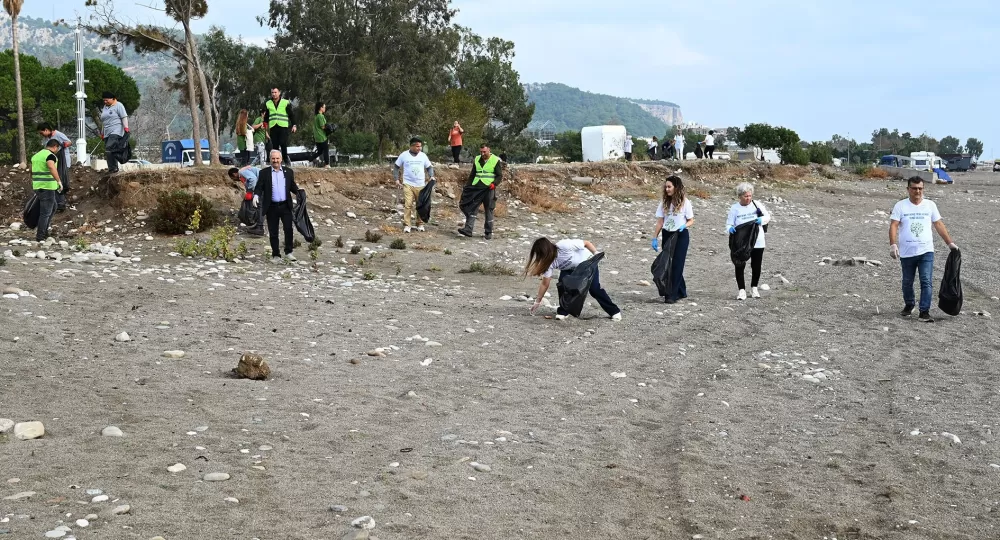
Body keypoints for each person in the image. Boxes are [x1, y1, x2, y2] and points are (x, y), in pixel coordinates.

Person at [889, 176, 959, 322]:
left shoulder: (930, 205)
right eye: (914, 188)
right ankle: (909, 304)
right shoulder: (900, 206)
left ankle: (924, 311)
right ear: (908, 189)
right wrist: (893, 244)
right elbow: (894, 225)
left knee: (926, 281)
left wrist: (949, 243)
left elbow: (938, 224)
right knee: (907, 281)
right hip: (907, 252)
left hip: (926, 251)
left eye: (920, 188)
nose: (917, 191)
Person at [525, 237, 622, 321]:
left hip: (587, 263)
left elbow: (586, 243)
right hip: (569, 269)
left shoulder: (564, 246)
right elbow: (545, 284)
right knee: (563, 285)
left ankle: (614, 311)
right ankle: (563, 311)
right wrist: (538, 301)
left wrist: (596, 253)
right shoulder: (548, 263)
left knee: (594, 289)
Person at [650, 175, 694, 303]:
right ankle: (682, 290)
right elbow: (660, 222)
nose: (667, 189)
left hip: (680, 235)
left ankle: (672, 294)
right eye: (666, 187)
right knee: (668, 263)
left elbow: (691, 220)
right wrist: (654, 238)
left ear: (676, 187)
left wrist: (683, 226)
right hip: (667, 235)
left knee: (677, 264)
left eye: (669, 187)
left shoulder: (685, 202)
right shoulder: (664, 203)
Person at [253, 150, 301, 262]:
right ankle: (276, 255)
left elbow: (292, 186)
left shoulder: (288, 172)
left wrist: (299, 192)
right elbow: (259, 187)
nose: (275, 161)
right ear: (270, 159)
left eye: (277, 158)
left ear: (281, 159)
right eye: (273, 159)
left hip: (285, 206)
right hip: (271, 207)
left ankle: (289, 252)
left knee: (288, 229)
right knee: (273, 231)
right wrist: (256, 195)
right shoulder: (264, 173)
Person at [726, 182, 771, 300]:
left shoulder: (756, 205)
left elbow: (767, 217)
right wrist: (730, 229)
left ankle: (754, 288)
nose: (748, 198)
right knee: (739, 264)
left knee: (756, 265)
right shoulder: (735, 208)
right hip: (741, 243)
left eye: (750, 195)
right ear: (740, 196)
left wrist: (760, 220)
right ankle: (741, 290)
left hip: (758, 240)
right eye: (746, 196)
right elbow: (729, 223)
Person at [458, 143, 502, 240]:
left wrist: (494, 184)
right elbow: (472, 174)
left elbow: (499, 175)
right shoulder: (477, 159)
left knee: (488, 210)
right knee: (472, 208)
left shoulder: (495, 160)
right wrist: (468, 186)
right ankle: (468, 229)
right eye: (481, 151)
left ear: (489, 150)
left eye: (484, 152)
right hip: (476, 188)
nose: (482, 154)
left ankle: (488, 232)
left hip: (488, 189)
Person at [393, 137, 434, 233]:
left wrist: (431, 176)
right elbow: (396, 167)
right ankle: (407, 225)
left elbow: (429, 167)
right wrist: (396, 179)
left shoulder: (423, 156)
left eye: (420, 146)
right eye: (417, 146)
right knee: (408, 204)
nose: (419, 148)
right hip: (408, 184)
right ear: (411, 146)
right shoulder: (404, 155)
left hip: (421, 184)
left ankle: (420, 224)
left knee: (420, 205)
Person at [31, 139, 64, 242]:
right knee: (45, 213)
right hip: (47, 187)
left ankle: (44, 231)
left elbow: (31, 170)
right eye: (57, 148)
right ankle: (41, 236)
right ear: (55, 146)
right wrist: (58, 181)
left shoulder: (36, 155)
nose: (57, 150)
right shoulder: (50, 156)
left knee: (53, 207)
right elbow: (51, 166)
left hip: (38, 186)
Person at [37, 123, 71, 210]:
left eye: (42, 133)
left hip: (63, 161)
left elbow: (69, 142)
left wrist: (62, 145)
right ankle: (57, 201)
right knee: (55, 180)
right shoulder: (47, 139)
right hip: (53, 161)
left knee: (59, 180)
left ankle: (61, 203)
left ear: (46, 130)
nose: (41, 135)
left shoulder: (58, 135)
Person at [264, 87, 296, 165]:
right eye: (272, 93)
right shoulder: (268, 103)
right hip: (273, 126)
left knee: (283, 143)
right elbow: (266, 117)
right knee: (275, 145)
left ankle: (286, 160)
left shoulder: (285, 102)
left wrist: (294, 125)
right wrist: (265, 127)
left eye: (275, 92)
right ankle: (276, 162)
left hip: (283, 126)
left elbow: (291, 115)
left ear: (279, 93)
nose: (274, 94)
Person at [100, 91, 129, 173]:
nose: (105, 102)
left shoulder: (118, 105)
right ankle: (111, 168)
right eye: (104, 100)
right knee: (108, 150)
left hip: (116, 130)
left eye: (107, 100)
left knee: (110, 148)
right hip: (106, 132)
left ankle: (114, 168)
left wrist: (126, 128)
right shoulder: (105, 107)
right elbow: (104, 121)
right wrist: (102, 133)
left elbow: (124, 117)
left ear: (112, 99)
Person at [311, 102, 330, 168]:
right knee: (326, 150)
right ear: (320, 108)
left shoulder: (316, 116)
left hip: (317, 137)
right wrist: (330, 128)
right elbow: (323, 126)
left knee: (320, 151)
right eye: (324, 107)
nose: (325, 108)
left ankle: (310, 158)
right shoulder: (320, 116)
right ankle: (327, 164)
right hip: (322, 136)